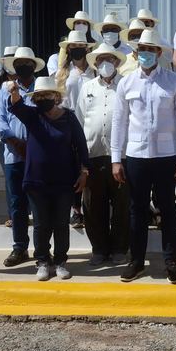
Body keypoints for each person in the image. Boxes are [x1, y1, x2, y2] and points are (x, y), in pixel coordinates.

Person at [111, 28, 176, 284]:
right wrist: (116, 158)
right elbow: (119, 122)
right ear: (136, 54)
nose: (145, 53)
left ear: (159, 52)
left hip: (166, 155)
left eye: (150, 49)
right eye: (141, 49)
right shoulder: (126, 82)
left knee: (168, 209)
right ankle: (136, 262)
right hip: (136, 156)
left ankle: (171, 262)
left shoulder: (174, 81)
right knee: (137, 209)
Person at [8, 76, 90, 281]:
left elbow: (81, 146)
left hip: (64, 181)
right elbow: (17, 106)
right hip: (36, 181)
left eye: (47, 94)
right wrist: (13, 90)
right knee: (41, 224)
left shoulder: (69, 118)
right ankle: (43, 261)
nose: (43, 98)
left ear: (57, 96)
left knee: (61, 224)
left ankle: (61, 261)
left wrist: (84, 172)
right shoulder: (33, 115)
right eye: (39, 95)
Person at [76, 43, 130, 266]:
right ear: (95, 63)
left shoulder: (125, 86)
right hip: (93, 154)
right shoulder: (87, 87)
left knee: (122, 204)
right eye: (101, 59)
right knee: (92, 205)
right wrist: (80, 160)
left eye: (109, 59)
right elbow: (79, 121)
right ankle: (99, 248)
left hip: (122, 155)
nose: (105, 63)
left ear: (117, 62)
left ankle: (119, 248)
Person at [0, 46, 44, 267]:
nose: (23, 67)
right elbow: (1, 121)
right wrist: (16, 143)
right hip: (13, 156)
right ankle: (20, 248)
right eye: (18, 64)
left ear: (33, 66)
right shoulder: (5, 91)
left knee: (39, 204)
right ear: (13, 68)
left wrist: (31, 147)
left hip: (37, 157)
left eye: (27, 64)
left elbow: (45, 119)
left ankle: (42, 250)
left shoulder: (42, 88)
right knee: (17, 204)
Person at [55, 30, 96, 229]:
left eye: (80, 46)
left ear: (87, 48)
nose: (76, 49)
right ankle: (76, 209)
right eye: (73, 46)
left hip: (90, 122)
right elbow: (58, 99)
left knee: (89, 165)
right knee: (73, 165)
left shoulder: (94, 71)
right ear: (68, 49)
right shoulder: (63, 73)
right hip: (70, 122)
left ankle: (92, 207)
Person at [0, 46, 18, 228]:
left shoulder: (28, 84)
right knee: (11, 179)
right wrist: (9, 137)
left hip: (26, 139)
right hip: (3, 139)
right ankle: (12, 214)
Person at [48, 11, 96, 75]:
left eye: (84, 23)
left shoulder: (96, 44)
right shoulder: (66, 43)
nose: (81, 25)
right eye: (78, 23)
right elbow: (61, 64)